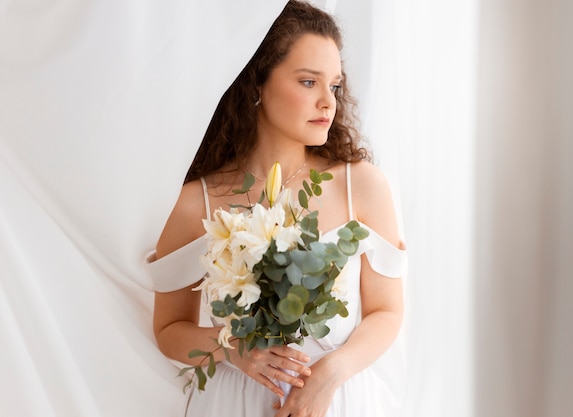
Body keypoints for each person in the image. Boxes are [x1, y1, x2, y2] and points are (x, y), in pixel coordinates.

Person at [146, 1, 406, 416]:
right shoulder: (198, 201)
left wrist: (329, 375)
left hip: (339, 401)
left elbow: (387, 311)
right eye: (308, 82)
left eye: (334, 86)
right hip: (235, 403)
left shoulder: (363, 185)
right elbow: (167, 329)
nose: (328, 102)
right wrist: (232, 350)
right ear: (256, 85)